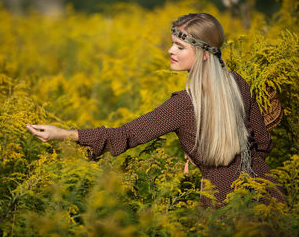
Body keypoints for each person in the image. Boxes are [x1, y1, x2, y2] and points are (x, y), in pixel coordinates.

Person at [26, 13, 285, 207]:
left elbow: (124, 136)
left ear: (205, 54)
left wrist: (62, 134)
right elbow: (262, 143)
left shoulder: (182, 106)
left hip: (224, 205)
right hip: (269, 194)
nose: (170, 51)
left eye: (180, 46)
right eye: (172, 43)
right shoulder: (237, 82)